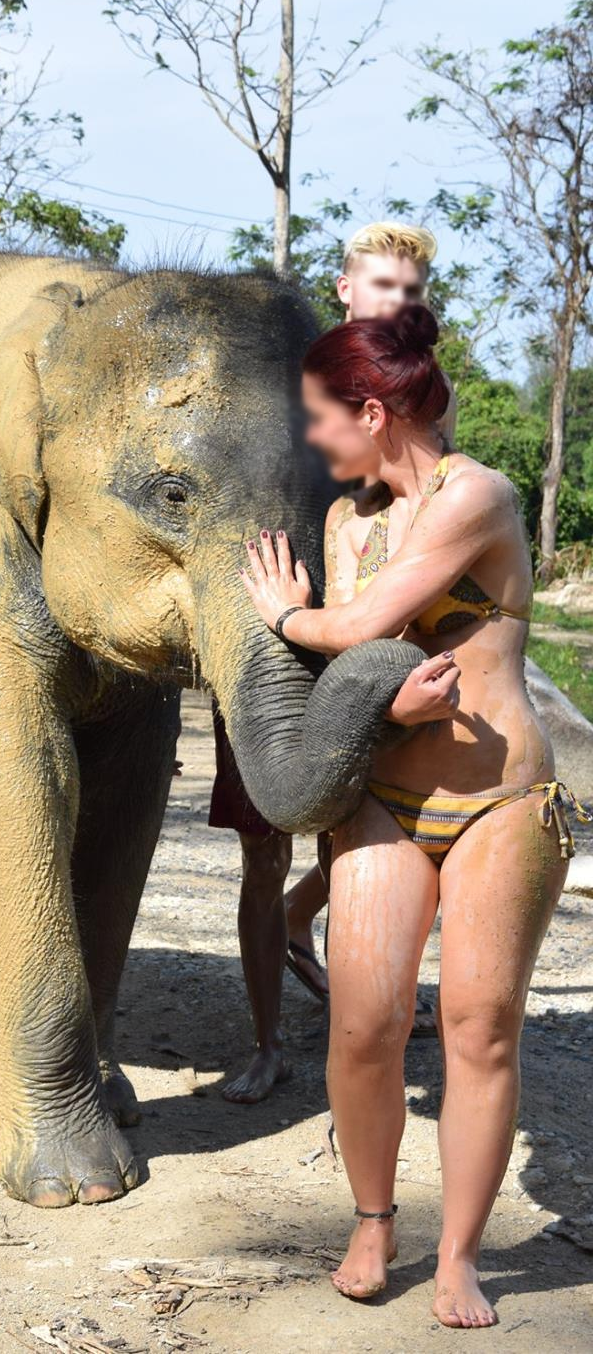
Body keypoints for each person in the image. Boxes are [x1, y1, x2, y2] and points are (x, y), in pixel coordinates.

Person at [242, 303, 580, 1328]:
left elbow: (346, 627)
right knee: (362, 1027)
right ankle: (373, 1219)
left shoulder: (475, 494)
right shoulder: (348, 521)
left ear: (372, 408)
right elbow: (358, 663)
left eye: (319, 417)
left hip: (500, 803)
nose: (312, 438)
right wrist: (375, 694)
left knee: (478, 1028)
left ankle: (460, 1256)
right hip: (385, 797)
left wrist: (283, 617)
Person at [217, 220, 449, 1106]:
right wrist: (278, 609)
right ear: (347, 292)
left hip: (369, 644)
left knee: (365, 840)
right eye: (383, 289)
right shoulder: (292, 378)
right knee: (262, 846)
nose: (398, 303)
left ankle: (352, 1045)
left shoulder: (432, 398)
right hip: (278, 634)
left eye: (412, 293)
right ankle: (268, 1041)